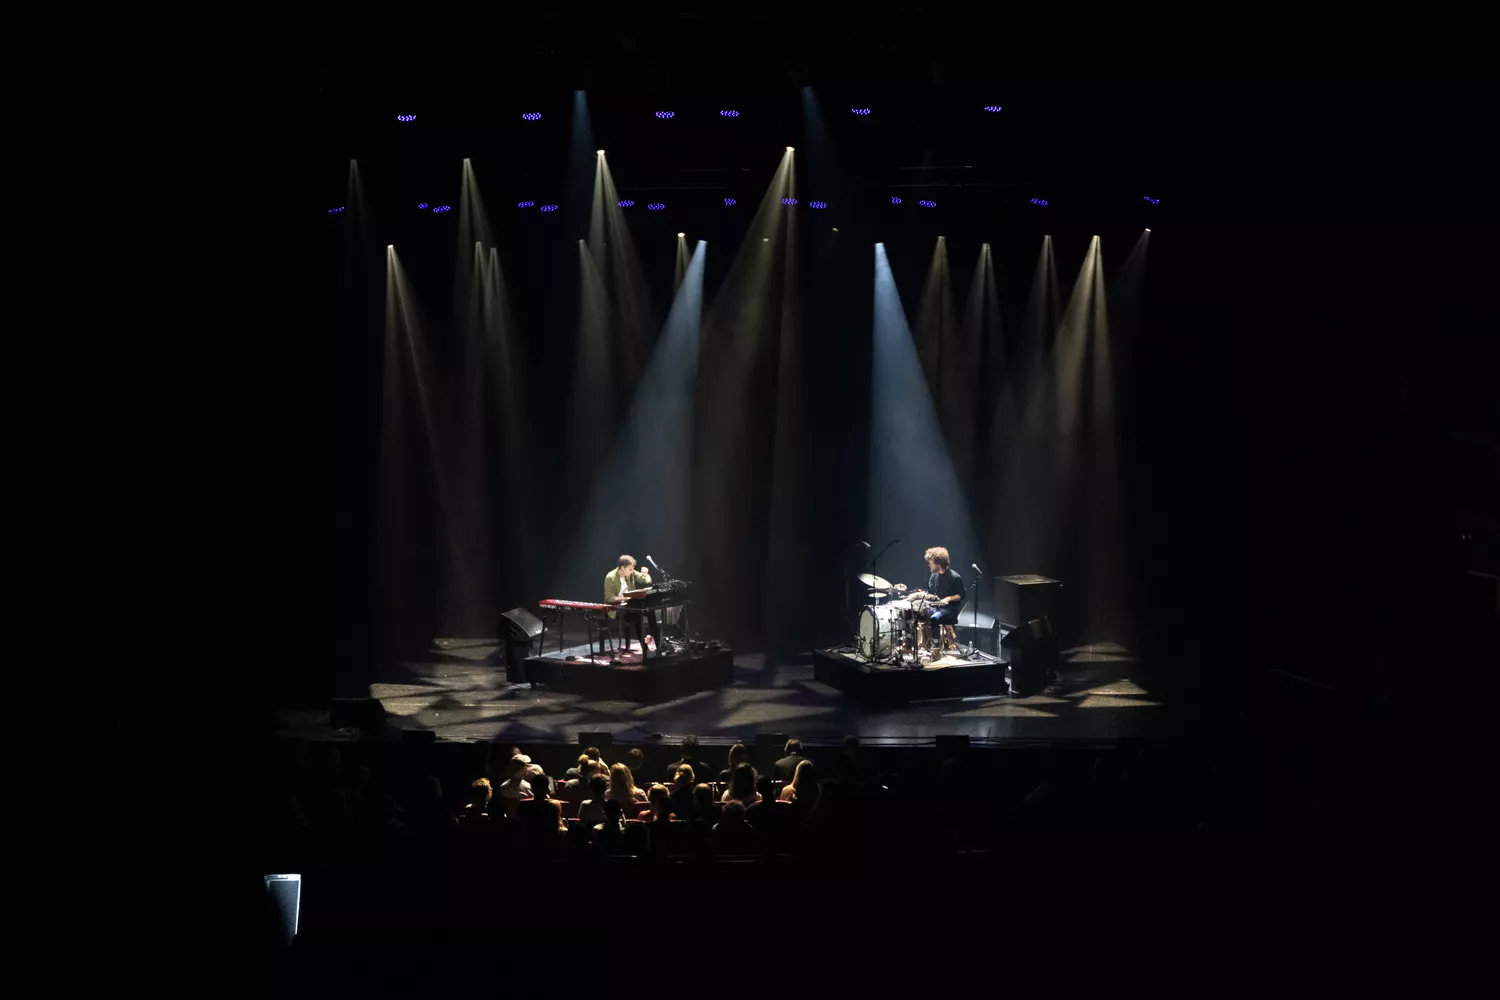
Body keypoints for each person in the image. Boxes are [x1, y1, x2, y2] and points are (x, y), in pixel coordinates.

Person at [910, 546, 965, 648]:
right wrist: (917, 595)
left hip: (949, 609)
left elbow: (961, 595)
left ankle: (937, 645)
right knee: (918, 615)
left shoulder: (955, 577)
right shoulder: (934, 576)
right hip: (935, 606)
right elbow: (930, 594)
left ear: (937, 563)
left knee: (934, 618)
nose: (929, 565)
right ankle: (923, 645)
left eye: (930, 563)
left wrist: (948, 598)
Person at [604, 554, 653, 653]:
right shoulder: (610, 577)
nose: (632, 571)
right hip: (616, 608)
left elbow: (647, 581)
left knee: (649, 612)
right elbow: (609, 598)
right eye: (630, 569)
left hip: (630, 605)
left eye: (632, 569)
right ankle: (645, 649)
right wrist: (626, 597)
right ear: (622, 568)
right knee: (638, 616)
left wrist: (646, 573)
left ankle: (656, 645)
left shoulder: (631, 573)